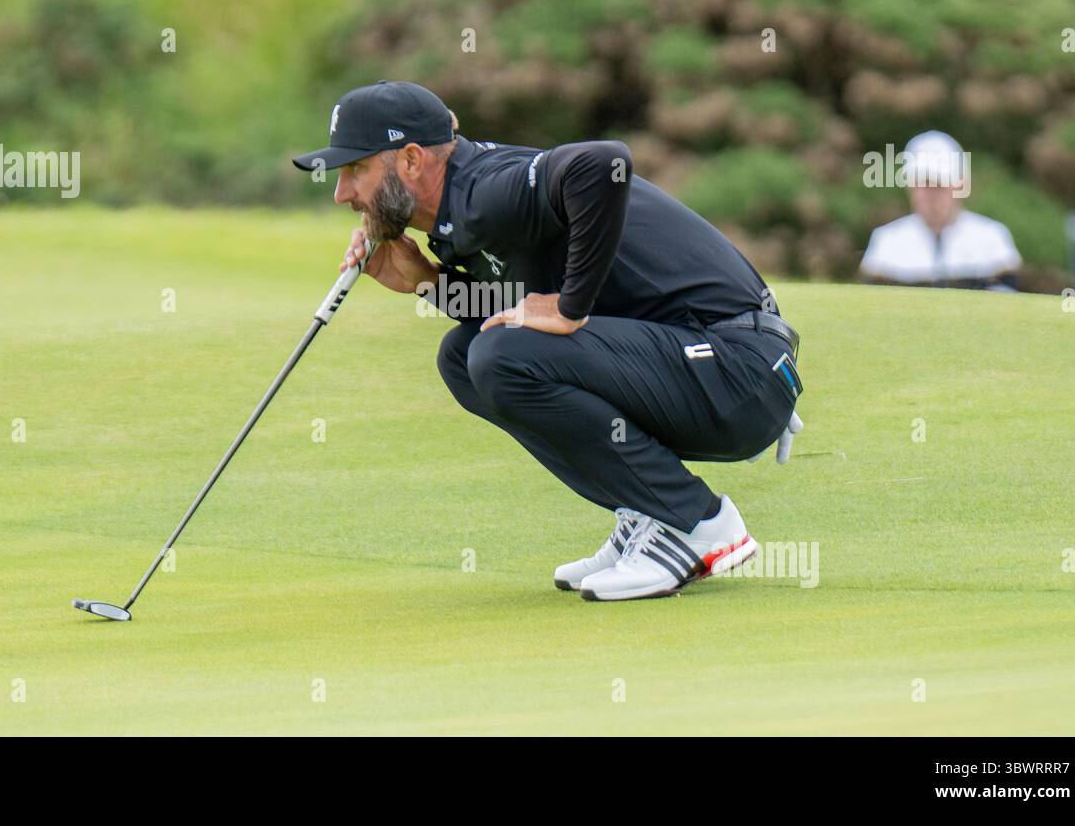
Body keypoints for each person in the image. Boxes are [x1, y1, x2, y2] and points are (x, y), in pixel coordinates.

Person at [293, 81, 805, 602]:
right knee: (465, 356)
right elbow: (513, 318)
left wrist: (568, 307)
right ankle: (648, 510)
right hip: (705, 367)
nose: (342, 193)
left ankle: (697, 524)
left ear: (409, 160)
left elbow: (604, 164)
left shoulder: (486, 188)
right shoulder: (455, 215)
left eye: (356, 169)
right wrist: (428, 282)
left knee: (500, 355)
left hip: (738, 368)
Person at [859, 130, 1022, 291]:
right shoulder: (886, 241)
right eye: (921, 183)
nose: (929, 193)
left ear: (960, 185)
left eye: (938, 183)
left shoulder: (992, 238)